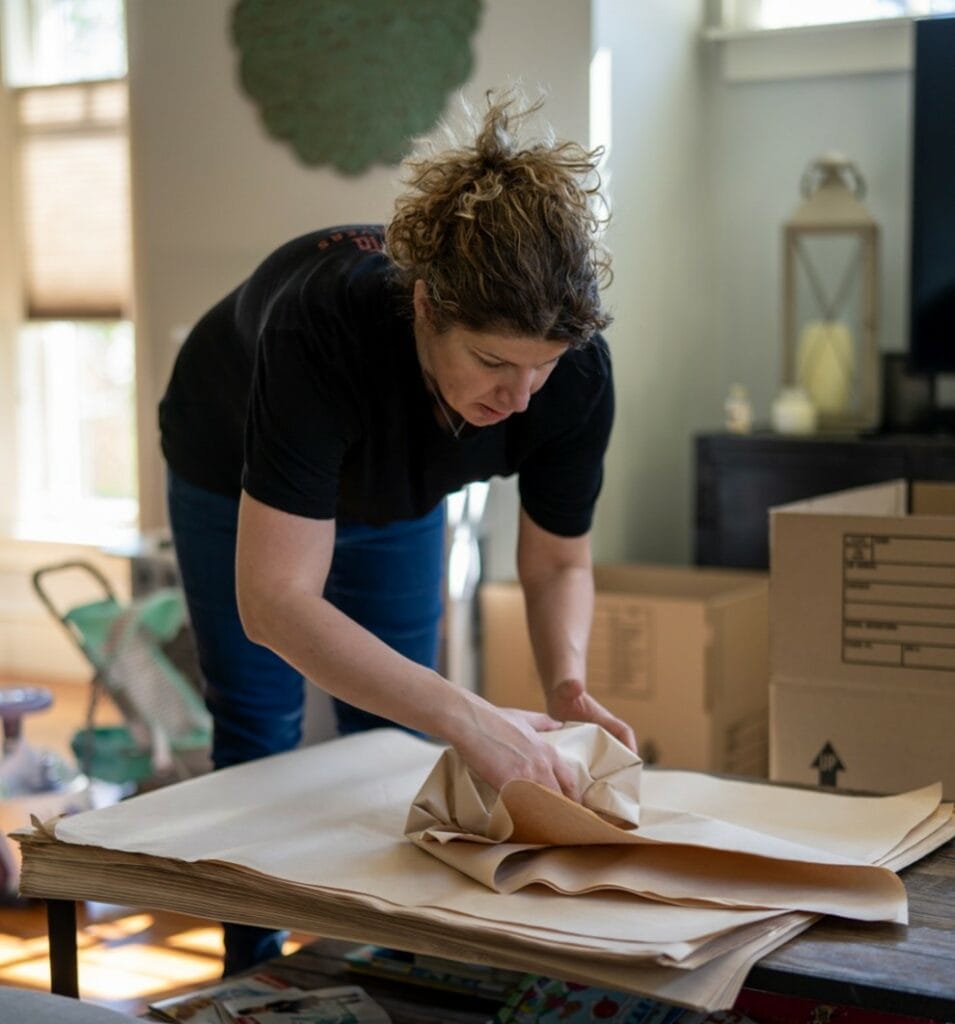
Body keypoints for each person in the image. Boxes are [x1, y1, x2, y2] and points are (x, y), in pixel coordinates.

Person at [158, 92, 636, 974]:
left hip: (399, 490)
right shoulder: (321, 328)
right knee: (259, 728)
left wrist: (566, 685)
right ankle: (252, 973)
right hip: (230, 466)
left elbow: (558, 563)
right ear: (424, 305)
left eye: (541, 366)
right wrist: (472, 714)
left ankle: (390, 964)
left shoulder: (573, 378)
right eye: (492, 362)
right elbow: (275, 602)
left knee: (394, 740)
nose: (518, 398)